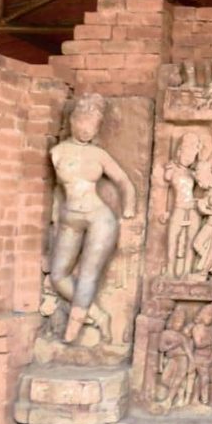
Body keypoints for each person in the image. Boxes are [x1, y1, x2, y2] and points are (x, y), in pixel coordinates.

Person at [49, 94, 136, 344]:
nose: (87, 128)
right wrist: (55, 217)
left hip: (99, 218)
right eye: (84, 121)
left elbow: (124, 182)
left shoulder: (99, 154)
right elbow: (57, 190)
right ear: (74, 120)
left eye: (94, 124)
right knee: (58, 276)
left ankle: (72, 331)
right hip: (69, 218)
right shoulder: (58, 152)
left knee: (88, 273)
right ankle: (97, 315)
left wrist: (129, 209)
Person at [163, 132, 201, 279]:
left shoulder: (193, 173)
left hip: (192, 208)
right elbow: (166, 183)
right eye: (186, 152)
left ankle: (186, 271)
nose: (189, 156)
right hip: (178, 206)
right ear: (179, 152)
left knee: (191, 242)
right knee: (172, 239)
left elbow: (205, 182)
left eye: (192, 153)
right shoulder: (172, 169)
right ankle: (170, 270)